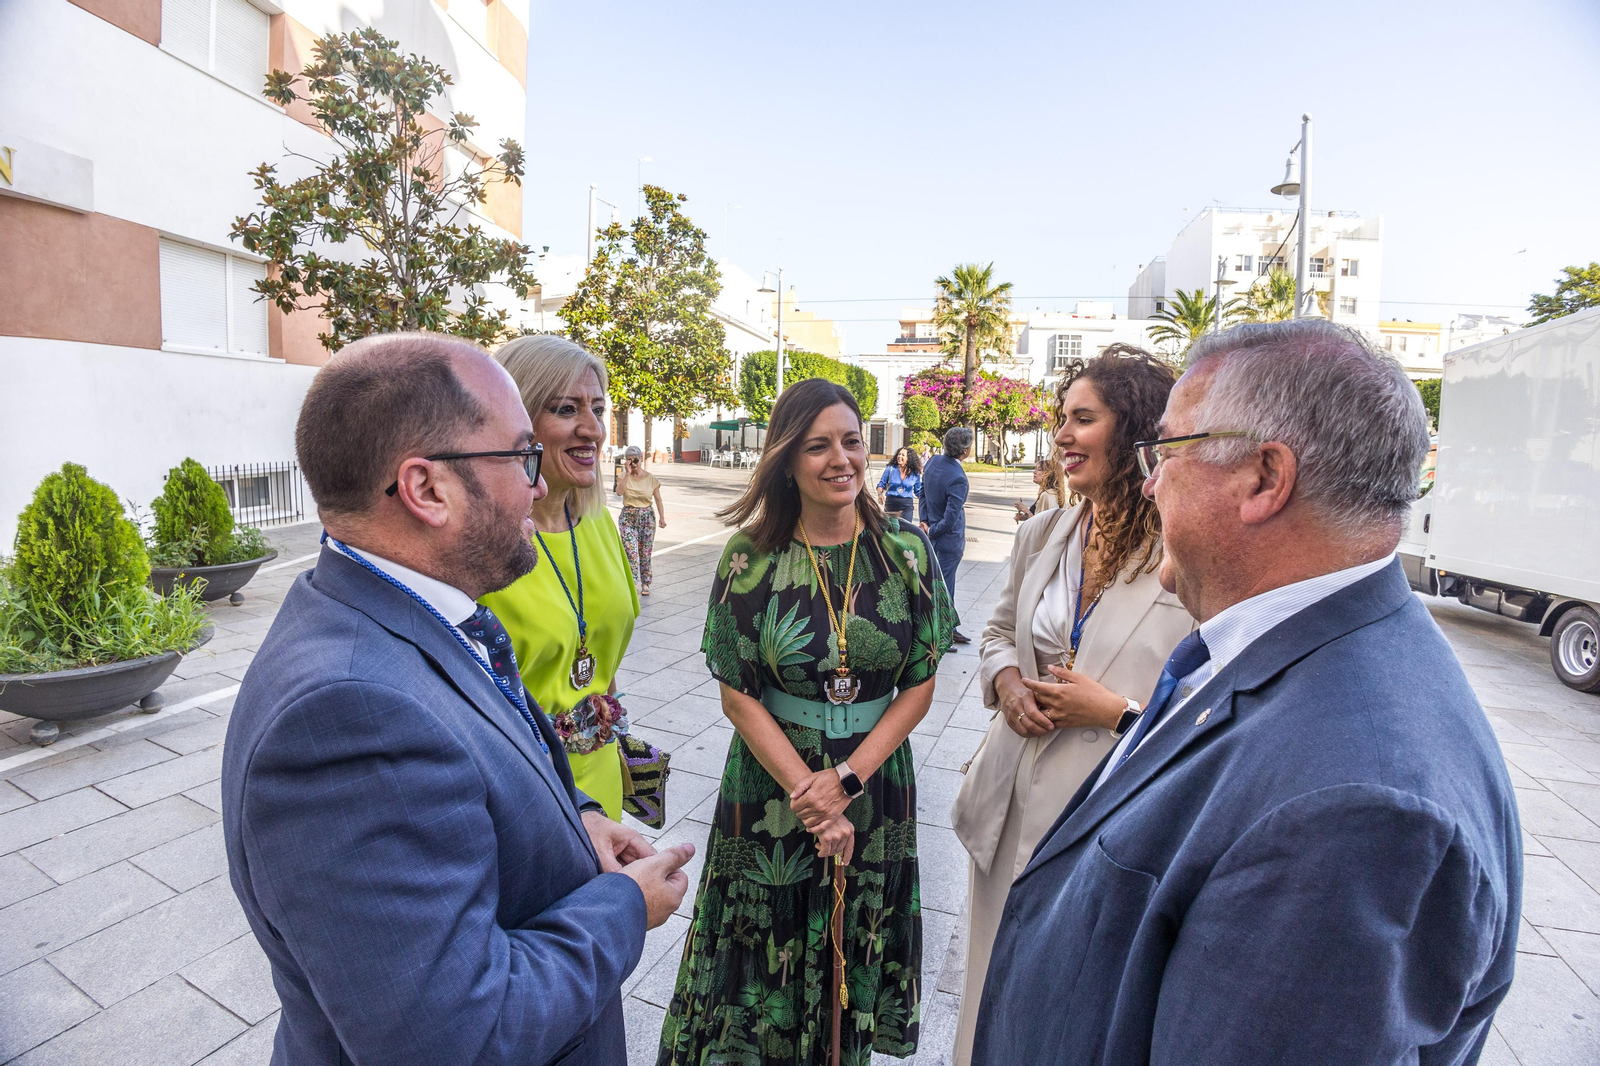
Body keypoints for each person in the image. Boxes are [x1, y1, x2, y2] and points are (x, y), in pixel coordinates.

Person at [973, 320, 1522, 1065]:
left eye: (1167, 453)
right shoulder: (1284, 647)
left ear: (1264, 478)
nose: (1149, 481)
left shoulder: (1352, 811)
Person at [222, 333, 693, 1066]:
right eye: (522, 457)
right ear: (427, 489)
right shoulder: (348, 719)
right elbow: (459, 1035)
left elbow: (491, 766)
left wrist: (579, 819)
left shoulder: (416, 611)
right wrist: (626, 907)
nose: (539, 488)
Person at [657, 377, 957, 1066]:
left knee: (856, 937)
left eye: (851, 441)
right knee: (762, 948)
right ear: (787, 459)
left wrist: (845, 781)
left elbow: (920, 682)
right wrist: (810, 794)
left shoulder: (907, 552)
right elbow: (738, 695)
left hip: (873, 779)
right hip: (772, 782)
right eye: (818, 446)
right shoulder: (749, 557)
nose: (840, 459)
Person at [950, 346, 1196, 1066]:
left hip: (1105, 825)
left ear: (1137, 432)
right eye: (1062, 418)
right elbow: (997, 633)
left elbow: (1210, 710)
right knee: (987, 993)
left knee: (1066, 1016)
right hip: (1009, 806)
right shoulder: (1042, 534)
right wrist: (1006, 683)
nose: (1061, 435)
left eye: (1083, 419)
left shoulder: (1184, 554)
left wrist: (1115, 713)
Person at [481, 334, 637, 821]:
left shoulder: (598, 522)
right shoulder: (479, 543)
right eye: (567, 409)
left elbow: (604, 658)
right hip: (520, 793)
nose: (593, 429)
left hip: (601, 781)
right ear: (517, 421)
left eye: (598, 409)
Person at [922, 426, 972, 643]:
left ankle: (950, 627)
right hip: (948, 540)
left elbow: (922, 492)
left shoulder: (932, 462)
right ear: (965, 451)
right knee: (944, 587)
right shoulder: (958, 478)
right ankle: (943, 635)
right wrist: (932, 530)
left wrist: (925, 521)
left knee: (940, 584)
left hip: (933, 534)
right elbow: (951, 518)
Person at [615, 444, 667, 595]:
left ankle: (645, 583)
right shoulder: (623, 477)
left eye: (635, 460)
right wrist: (627, 474)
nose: (633, 464)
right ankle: (633, 582)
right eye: (629, 460)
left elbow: (658, 499)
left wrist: (662, 517)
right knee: (630, 551)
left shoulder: (651, 479)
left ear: (641, 459)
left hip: (646, 517)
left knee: (645, 552)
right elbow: (619, 492)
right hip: (628, 517)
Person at [1012, 451, 1063, 522]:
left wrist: (1025, 510)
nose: (1034, 472)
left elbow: (1041, 523)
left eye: (1039, 470)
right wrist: (1025, 516)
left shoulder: (1047, 495)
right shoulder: (1051, 492)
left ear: (1049, 474)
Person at [877, 445, 923, 521]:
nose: (900, 456)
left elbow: (918, 491)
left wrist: (925, 502)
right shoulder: (891, 469)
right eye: (899, 454)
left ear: (908, 458)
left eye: (903, 455)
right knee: (890, 527)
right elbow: (881, 484)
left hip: (907, 506)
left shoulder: (915, 473)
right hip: (891, 505)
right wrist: (880, 494)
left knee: (906, 527)